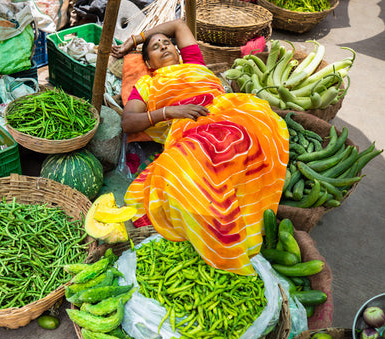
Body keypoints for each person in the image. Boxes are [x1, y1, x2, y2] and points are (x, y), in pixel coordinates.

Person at [111, 19, 290, 276]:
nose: (164, 46)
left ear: (178, 51)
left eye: (167, 44)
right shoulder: (146, 86)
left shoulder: (194, 62)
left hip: (229, 112)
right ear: (148, 64)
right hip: (191, 129)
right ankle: (227, 233)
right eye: (155, 47)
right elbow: (128, 122)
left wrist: (136, 39)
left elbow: (177, 24)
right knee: (196, 161)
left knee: (259, 124)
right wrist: (170, 111)